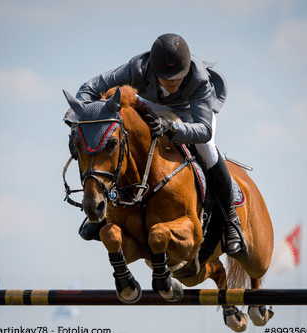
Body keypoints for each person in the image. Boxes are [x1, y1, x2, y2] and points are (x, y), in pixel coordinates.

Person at [70, 33, 244, 255]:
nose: (173, 81)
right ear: (153, 70)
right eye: (167, 77)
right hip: (152, 105)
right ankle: (103, 209)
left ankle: (230, 219)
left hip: (191, 112)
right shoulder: (137, 69)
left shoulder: (198, 79)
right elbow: (88, 89)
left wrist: (172, 128)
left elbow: (204, 129)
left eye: (178, 77)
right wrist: (76, 127)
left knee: (207, 148)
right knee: (122, 140)